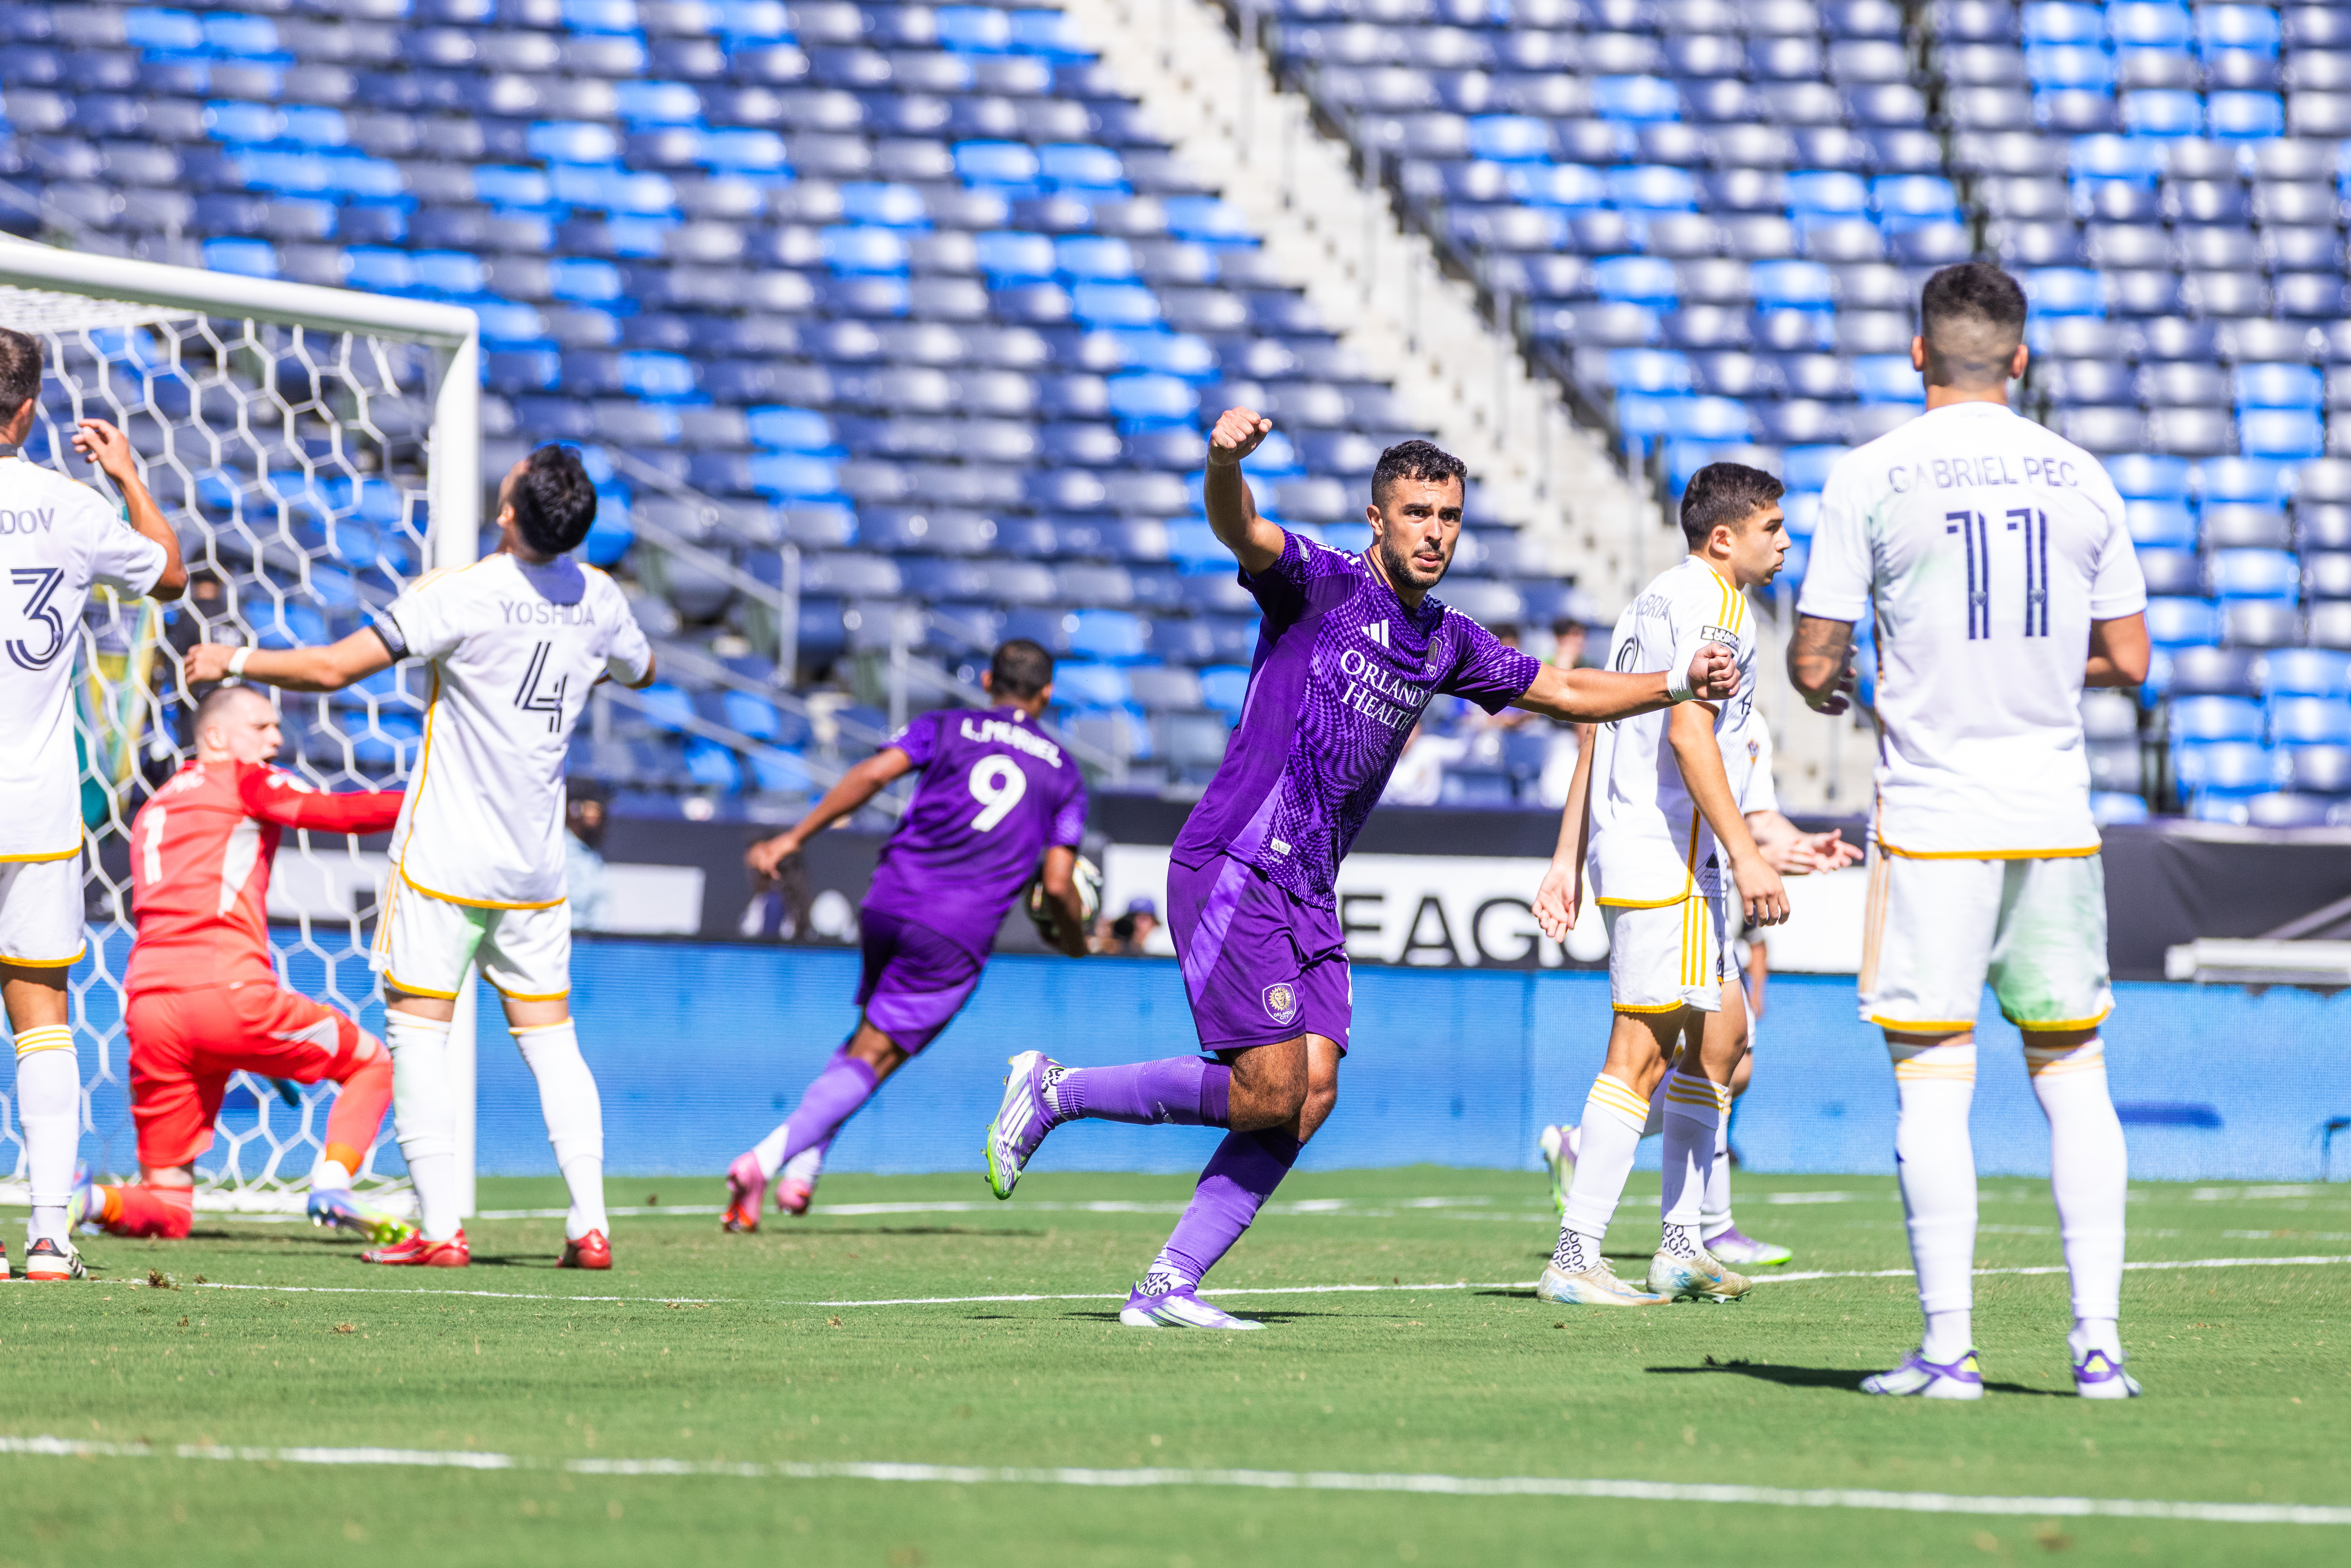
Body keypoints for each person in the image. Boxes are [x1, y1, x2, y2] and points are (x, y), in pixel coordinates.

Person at [981, 413, 1740, 1330]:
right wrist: (1223, 463)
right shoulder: (1320, 583)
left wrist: (1674, 683)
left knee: (1312, 1088)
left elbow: (1566, 689)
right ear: (1375, 518)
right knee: (1268, 1086)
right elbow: (1240, 527)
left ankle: (1166, 1284)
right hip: (1236, 859)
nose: (1435, 531)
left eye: (1449, 515)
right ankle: (1057, 1088)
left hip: (1309, 887)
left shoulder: (1446, 639)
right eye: (1417, 512)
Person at [1790, 262, 2150, 1400]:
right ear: (2020, 357)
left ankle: (1949, 1347)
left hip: (1937, 820)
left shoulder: (1871, 473)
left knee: (1932, 1082)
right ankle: (2097, 1347)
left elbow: (1811, 661)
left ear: (1916, 354)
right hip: (2052, 815)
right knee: (2073, 1072)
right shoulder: (2081, 473)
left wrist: (1848, 680)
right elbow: (2129, 659)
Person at [185, 444, 655, 1269]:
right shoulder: (601, 598)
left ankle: (441, 1230)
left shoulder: (465, 593)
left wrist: (237, 659)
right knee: (551, 1038)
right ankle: (591, 1223)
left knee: (417, 1031)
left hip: (446, 858)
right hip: (535, 865)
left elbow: (334, 667)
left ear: (510, 509)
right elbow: (642, 669)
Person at [1526, 462, 1793, 1308]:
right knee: (1638, 1051)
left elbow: (1595, 724)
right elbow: (1687, 735)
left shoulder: (1651, 599)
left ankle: (1682, 1244)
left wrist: (1569, 854)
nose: (1784, 542)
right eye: (1771, 528)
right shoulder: (1715, 606)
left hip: (1641, 847)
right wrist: (1745, 851)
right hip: (1666, 855)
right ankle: (1574, 1256)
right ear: (1725, 538)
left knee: (1717, 1034)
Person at [722, 639, 1089, 1230]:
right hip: (955, 930)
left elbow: (872, 773)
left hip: (889, 900)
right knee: (879, 1055)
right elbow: (1058, 883)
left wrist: (792, 839)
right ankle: (764, 1161)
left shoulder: (946, 724)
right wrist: (1076, 939)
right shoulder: (1063, 771)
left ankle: (807, 1165)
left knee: (867, 1039)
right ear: (1047, 694)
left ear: (989, 679)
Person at [1535, 684, 1861, 1267]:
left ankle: (1692, 1237)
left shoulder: (1748, 716)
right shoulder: (1679, 656)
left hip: (1704, 889)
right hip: (1666, 877)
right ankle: (1587, 1245)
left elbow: (1757, 817)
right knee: (1652, 1055)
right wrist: (1567, 859)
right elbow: (1600, 736)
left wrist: (1792, 846)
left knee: (1726, 1047)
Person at [73, 685, 411, 1245]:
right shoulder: (242, 779)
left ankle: (89, 1199)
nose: (276, 737)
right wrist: (426, 799)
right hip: (228, 992)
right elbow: (337, 813)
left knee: (169, 1205)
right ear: (215, 737)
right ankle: (331, 1184)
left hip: (150, 1008)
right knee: (373, 1063)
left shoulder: (156, 805)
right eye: (261, 726)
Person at [0, 326, 187, 1279]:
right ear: (27, 411)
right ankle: (46, 1236)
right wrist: (127, 475)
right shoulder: (71, 506)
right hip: (33, 807)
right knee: (41, 1016)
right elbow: (172, 571)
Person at [564, 777, 612, 932]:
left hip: (593, 945)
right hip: (569, 940)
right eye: (590, 805)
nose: (596, 812)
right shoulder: (559, 850)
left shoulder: (592, 854)